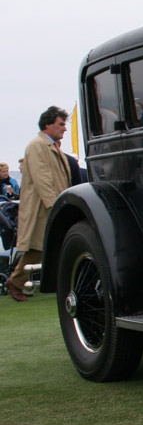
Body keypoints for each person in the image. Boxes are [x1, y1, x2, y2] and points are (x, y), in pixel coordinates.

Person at [6, 106, 73, 301]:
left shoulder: (49, 146)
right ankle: (17, 282)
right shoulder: (37, 145)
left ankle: (19, 282)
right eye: (60, 124)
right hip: (44, 208)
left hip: (50, 206)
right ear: (47, 124)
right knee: (39, 248)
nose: (65, 129)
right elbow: (42, 178)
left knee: (44, 248)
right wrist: (55, 206)